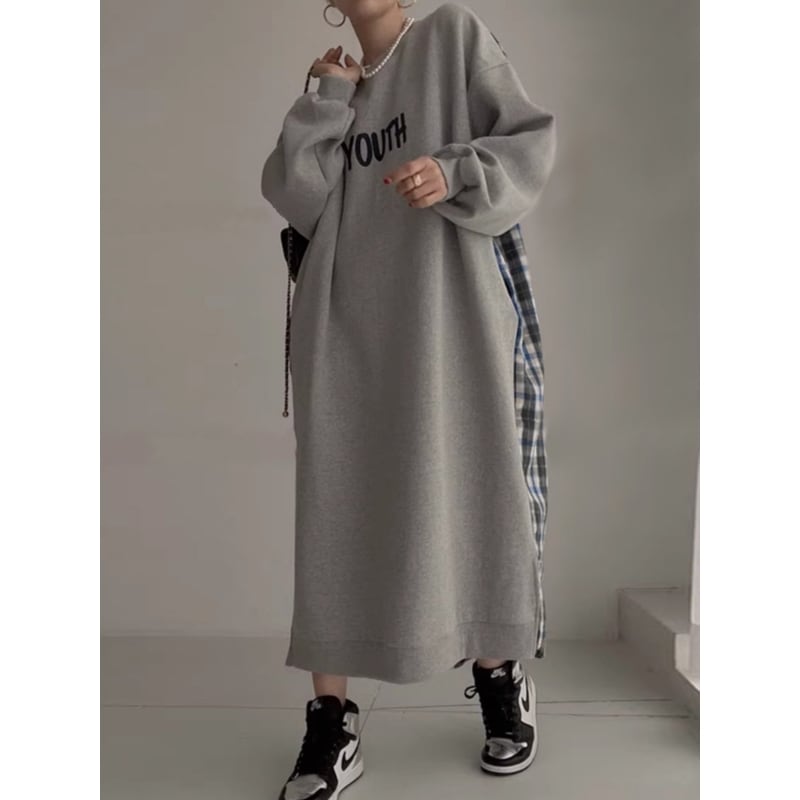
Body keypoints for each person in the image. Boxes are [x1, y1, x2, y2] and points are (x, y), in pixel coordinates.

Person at [261, 1, 557, 796]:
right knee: (337, 509)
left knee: (476, 488)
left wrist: (454, 170)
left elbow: (529, 140)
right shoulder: (336, 87)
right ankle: (332, 721)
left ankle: (499, 678)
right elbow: (299, 200)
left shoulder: (453, 37)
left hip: (447, 314)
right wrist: (327, 99)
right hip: (345, 329)